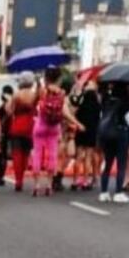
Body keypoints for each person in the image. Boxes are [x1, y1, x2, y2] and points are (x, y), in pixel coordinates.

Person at [31, 67, 83, 197]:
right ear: (59, 78)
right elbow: (65, 113)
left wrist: (38, 88)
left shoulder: (42, 91)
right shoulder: (62, 93)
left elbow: (32, 104)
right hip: (54, 127)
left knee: (37, 154)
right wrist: (77, 123)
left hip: (40, 125)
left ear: (46, 77)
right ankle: (49, 185)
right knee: (52, 155)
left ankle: (37, 186)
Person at [97, 84, 129, 204]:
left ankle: (103, 192)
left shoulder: (106, 100)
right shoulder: (124, 103)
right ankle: (118, 192)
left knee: (107, 163)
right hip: (121, 134)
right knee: (121, 165)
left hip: (107, 135)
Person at [8, 72, 37, 192]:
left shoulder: (16, 95)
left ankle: (18, 180)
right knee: (26, 153)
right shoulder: (35, 94)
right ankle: (22, 176)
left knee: (16, 154)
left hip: (17, 125)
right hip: (31, 126)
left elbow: (9, 111)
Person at [72, 81, 101, 191]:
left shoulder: (81, 101)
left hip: (81, 129)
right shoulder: (97, 104)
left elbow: (75, 113)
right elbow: (99, 118)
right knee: (88, 156)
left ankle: (75, 181)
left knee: (78, 156)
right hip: (92, 131)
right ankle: (85, 181)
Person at [0, 85, 14, 186]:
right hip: (7, 130)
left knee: (0, 154)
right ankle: (0, 175)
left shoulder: (8, 103)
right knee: (2, 154)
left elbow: (7, 112)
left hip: (4, 130)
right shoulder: (12, 101)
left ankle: (0, 176)